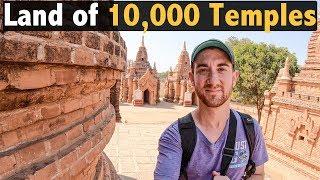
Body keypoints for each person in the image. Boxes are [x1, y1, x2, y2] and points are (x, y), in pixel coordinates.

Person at [154, 39, 268, 180]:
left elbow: (257, 174)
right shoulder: (175, 136)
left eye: (221, 69)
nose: (213, 81)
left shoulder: (251, 129)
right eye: (203, 70)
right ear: (192, 78)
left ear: (234, 77)